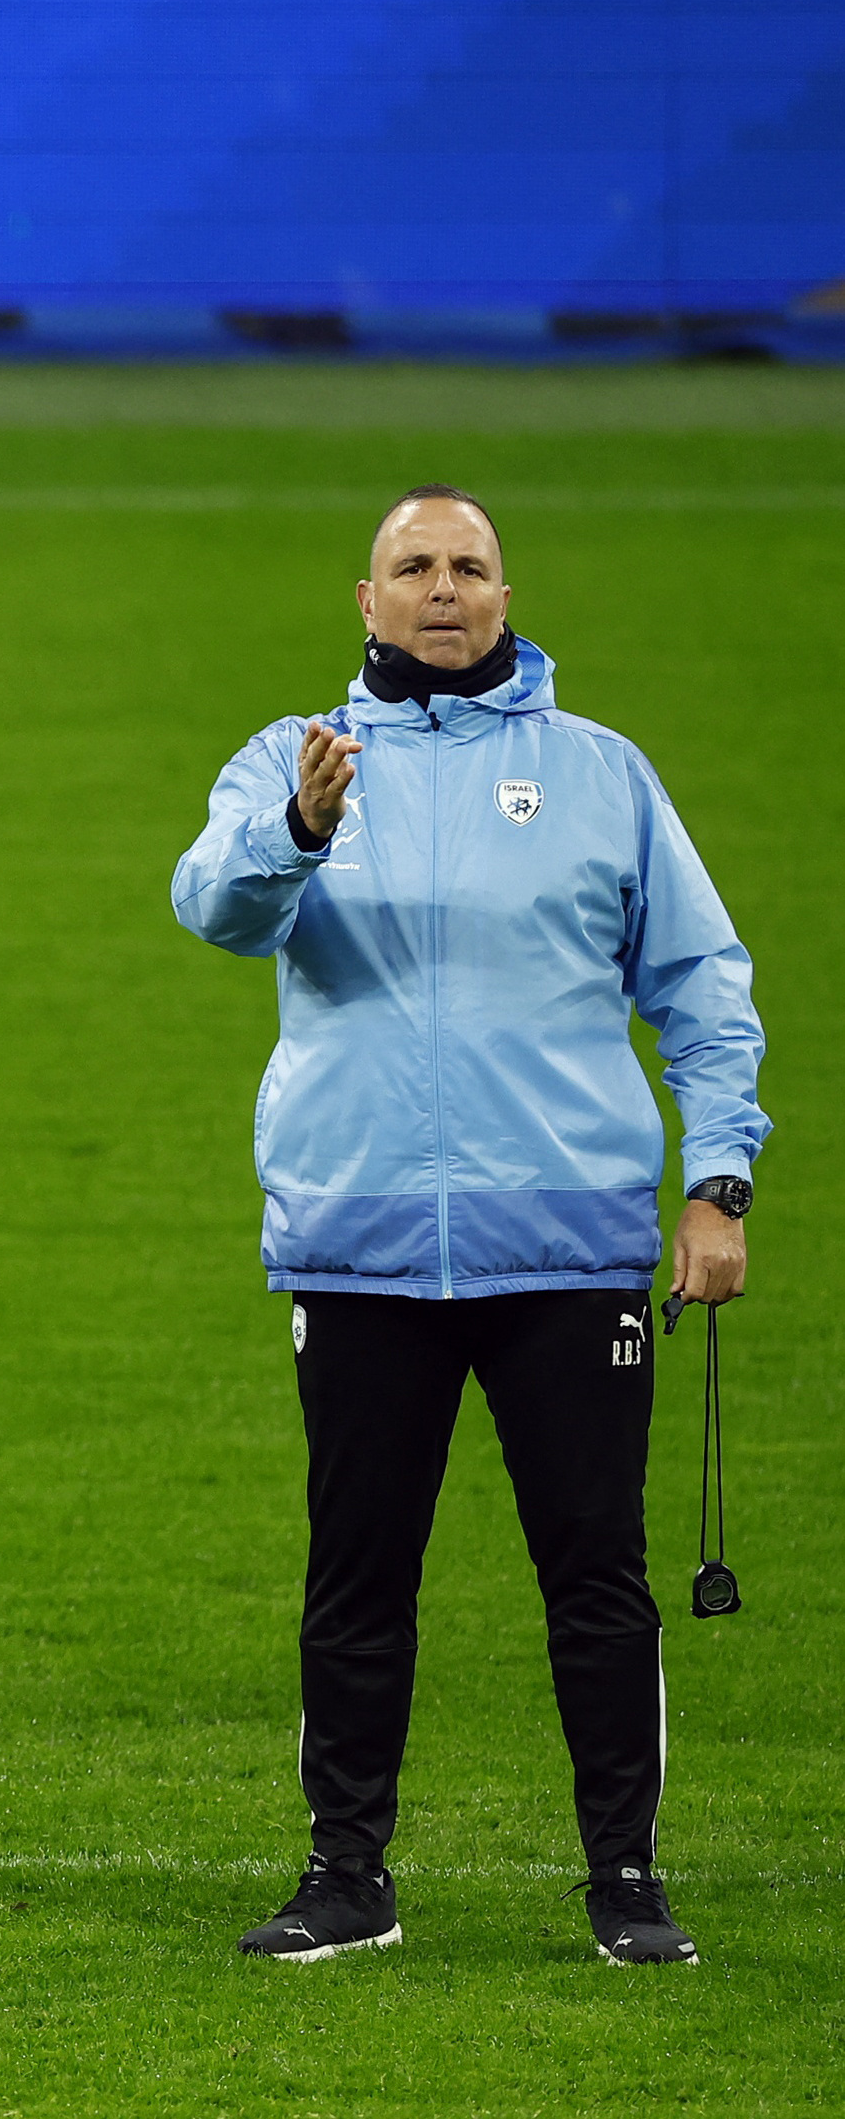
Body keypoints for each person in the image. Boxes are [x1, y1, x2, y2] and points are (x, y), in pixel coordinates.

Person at [172, 486, 765, 1965]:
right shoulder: (290, 761)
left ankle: (624, 1880)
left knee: (596, 1576)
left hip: (565, 1247)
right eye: (412, 567)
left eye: (469, 566)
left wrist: (715, 1180)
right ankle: (343, 1876)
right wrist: (297, 830)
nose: (443, 588)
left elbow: (702, 985)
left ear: (504, 595)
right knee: (355, 1573)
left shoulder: (601, 776)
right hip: (360, 1240)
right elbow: (213, 909)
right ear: (362, 600)